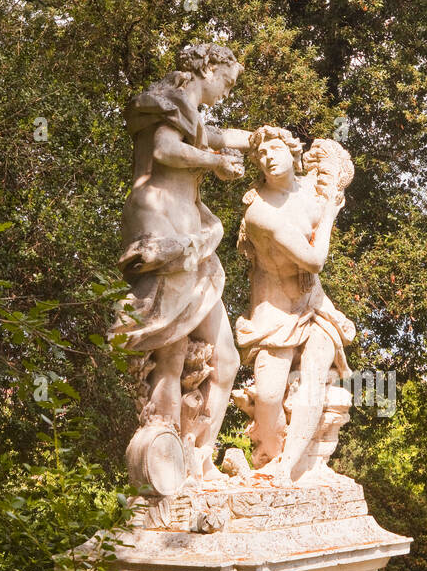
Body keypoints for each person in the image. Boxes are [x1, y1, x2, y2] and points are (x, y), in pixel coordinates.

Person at [113, 44, 250, 484]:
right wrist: (216, 164)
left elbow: (216, 136)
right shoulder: (169, 101)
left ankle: (198, 458)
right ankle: (164, 466)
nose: (227, 92)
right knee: (170, 350)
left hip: (192, 230)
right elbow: (167, 150)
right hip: (163, 221)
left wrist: (260, 138)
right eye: (227, 82)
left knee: (225, 357)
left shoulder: (191, 111)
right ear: (208, 67)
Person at [234, 126, 355, 483]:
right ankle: (271, 458)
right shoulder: (259, 212)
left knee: (316, 374)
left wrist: (331, 185)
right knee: (269, 396)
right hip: (273, 310)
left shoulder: (309, 189)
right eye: (260, 155)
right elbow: (315, 260)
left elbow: (333, 164)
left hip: (314, 304)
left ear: (292, 152)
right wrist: (331, 211)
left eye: (274, 149)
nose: (267, 158)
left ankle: (289, 468)